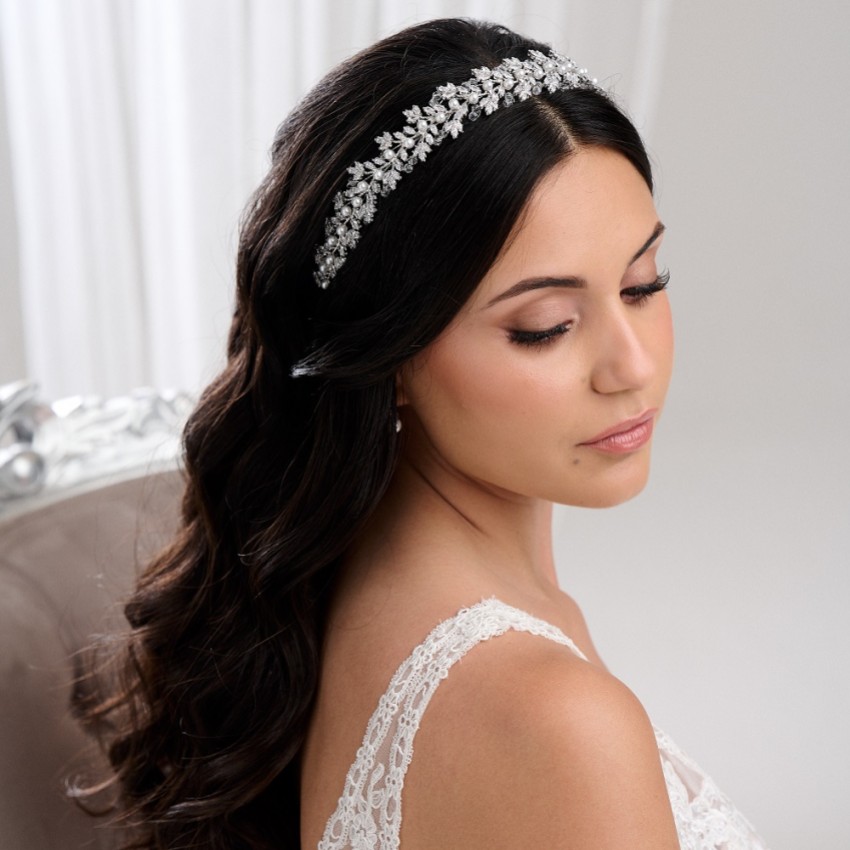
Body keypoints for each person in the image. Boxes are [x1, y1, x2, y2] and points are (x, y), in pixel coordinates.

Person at [76, 17, 770, 850]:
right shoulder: (552, 717)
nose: (632, 365)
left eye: (643, 285)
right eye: (545, 326)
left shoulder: (353, 599)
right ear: (392, 353)